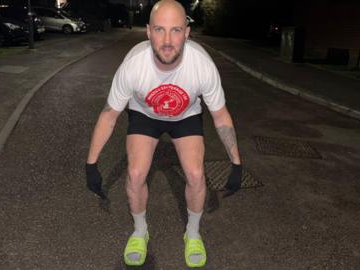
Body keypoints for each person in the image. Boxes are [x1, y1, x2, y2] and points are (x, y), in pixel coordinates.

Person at [85, 0, 242, 267]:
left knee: (195, 174)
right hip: (145, 115)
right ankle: (139, 231)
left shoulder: (201, 65)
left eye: (176, 30)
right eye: (159, 29)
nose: (167, 40)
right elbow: (109, 114)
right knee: (135, 174)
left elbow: (220, 115)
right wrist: (91, 164)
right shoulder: (133, 65)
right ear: (148, 32)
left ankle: (192, 234)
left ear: (187, 33)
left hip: (186, 116)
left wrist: (237, 163)